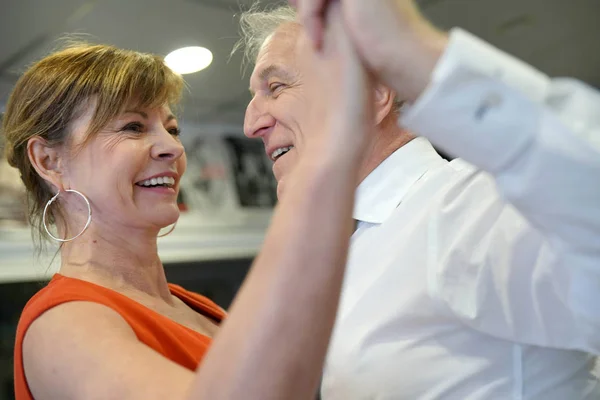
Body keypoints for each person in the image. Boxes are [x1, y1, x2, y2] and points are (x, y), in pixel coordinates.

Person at [4, 5, 372, 399]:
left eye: (172, 128)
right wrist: (317, 198)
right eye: (133, 127)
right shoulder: (64, 322)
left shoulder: (195, 306)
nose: (171, 147)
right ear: (49, 160)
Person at [239, 2, 600, 399]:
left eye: (276, 87)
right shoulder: (338, 254)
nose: (252, 124)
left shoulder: (465, 207)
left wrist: (412, 48)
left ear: (376, 94)